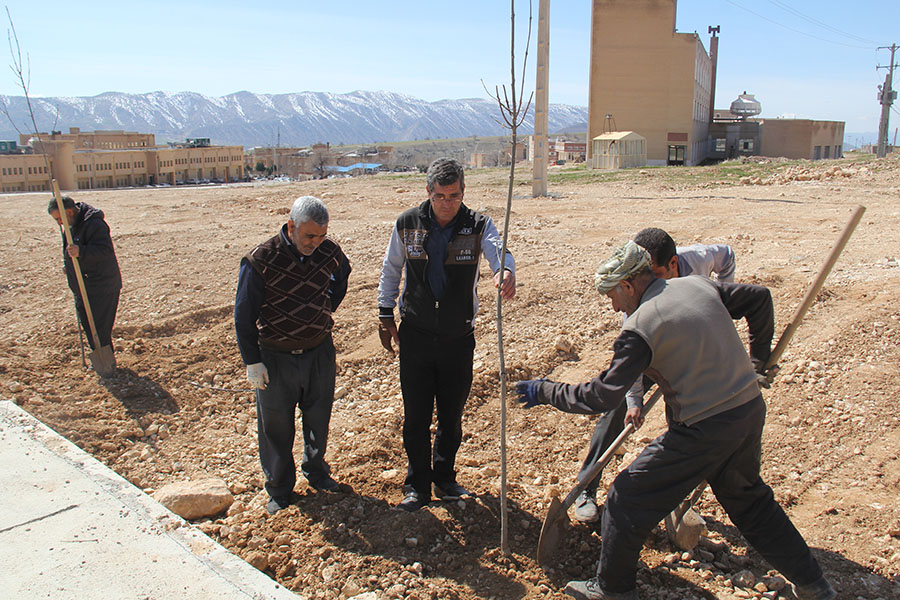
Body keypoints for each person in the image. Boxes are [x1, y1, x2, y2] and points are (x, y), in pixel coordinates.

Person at [515, 241, 834, 600]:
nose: (613, 305)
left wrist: (545, 391)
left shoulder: (640, 327)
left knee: (626, 495)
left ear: (628, 285)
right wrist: (758, 361)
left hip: (704, 426)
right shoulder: (697, 284)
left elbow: (601, 396)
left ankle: (612, 590)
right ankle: (814, 585)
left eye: (612, 296)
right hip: (747, 409)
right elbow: (759, 298)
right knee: (750, 502)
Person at [377, 157, 516, 512]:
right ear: (428, 192)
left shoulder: (478, 224)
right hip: (416, 336)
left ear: (463, 192)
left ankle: (445, 478)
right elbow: (392, 269)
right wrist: (384, 312)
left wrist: (504, 272)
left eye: (453, 196)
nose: (447, 203)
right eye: (440, 196)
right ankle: (417, 485)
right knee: (416, 416)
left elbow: (498, 251)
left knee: (452, 415)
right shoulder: (407, 223)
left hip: (457, 337)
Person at [574, 228, 736, 523]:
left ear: (673, 264)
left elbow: (726, 255)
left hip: (693, 347)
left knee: (690, 420)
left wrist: (722, 303)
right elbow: (631, 357)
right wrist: (634, 399)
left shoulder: (696, 261)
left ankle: (676, 495)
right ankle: (586, 487)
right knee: (614, 406)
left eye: (655, 274)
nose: (647, 282)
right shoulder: (638, 291)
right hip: (655, 344)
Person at [234, 196, 352, 515]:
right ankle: (280, 489)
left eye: (321, 236)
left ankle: (316, 472)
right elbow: (243, 315)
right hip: (275, 356)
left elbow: (342, 276)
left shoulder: (329, 252)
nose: (315, 242)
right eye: (309, 236)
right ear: (291, 227)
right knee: (276, 426)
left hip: (319, 352)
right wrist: (252, 362)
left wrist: (323, 308)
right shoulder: (261, 259)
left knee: (318, 418)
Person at [47, 195, 122, 360]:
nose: (59, 222)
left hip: (102, 286)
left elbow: (105, 251)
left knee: (100, 328)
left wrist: (81, 252)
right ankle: (98, 357)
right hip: (83, 287)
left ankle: (107, 363)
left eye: (59, 218)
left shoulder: (94, 224)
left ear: (69, 212)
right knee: (88, 326)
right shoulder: (71, 225)